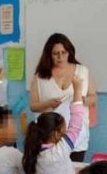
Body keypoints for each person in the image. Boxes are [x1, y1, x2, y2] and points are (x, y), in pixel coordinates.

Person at [29, 33, 98, 162]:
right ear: (49, 54)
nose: (60, 57)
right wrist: (48, 103)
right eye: (56, 53)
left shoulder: (82, 71)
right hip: (49, 138)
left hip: (77, 136)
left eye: (64, 52)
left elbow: (93, 98)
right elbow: (33, 106)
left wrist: (81, 100)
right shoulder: (40, 76)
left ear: (69, 52)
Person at [22, 76, 85, 174]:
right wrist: (78, 90)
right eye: (64, 131)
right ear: (56, 134)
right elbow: (77, 123)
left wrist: (73, 172)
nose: (66, 132)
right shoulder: (59, 151)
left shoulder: (33, 153)